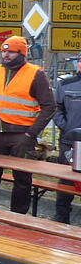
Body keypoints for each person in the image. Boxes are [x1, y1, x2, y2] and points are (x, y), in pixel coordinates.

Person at [0, 37, 55, 214]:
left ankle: (17, 218)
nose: (5, 55)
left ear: (22, 53)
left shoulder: (35, 73)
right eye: (3, 51)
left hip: (22, 136)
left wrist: (31, 133)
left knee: (22, 180)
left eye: (10, 52)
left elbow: (49, 106)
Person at [53, 56, 81, 223]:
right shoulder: (65, 85)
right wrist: (67, 128)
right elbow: (56, 110)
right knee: (66, 182)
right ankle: (61, 218)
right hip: (69, 142)